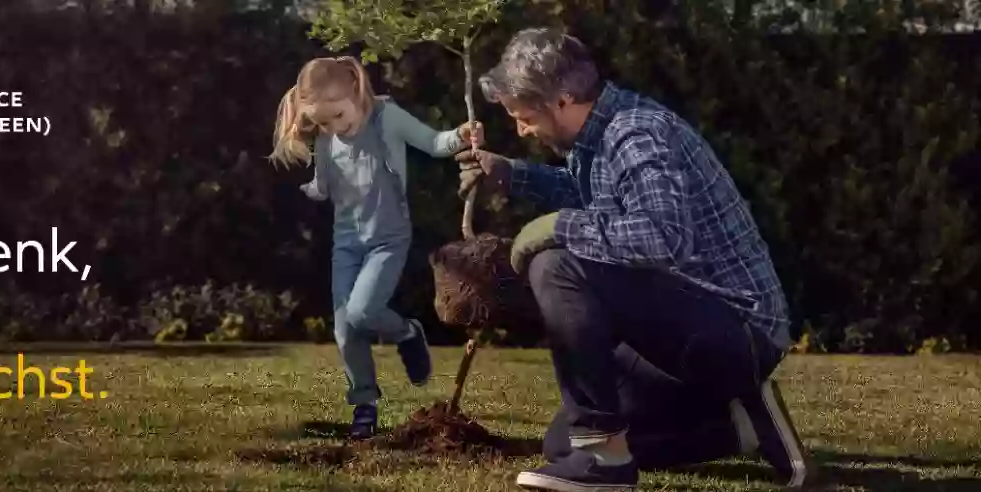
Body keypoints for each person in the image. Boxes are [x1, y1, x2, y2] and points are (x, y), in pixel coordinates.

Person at [455, 29, 809, 490]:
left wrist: (557, 227)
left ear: (562, 100)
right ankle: (737, 425)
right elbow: (591, 195)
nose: (522, 129)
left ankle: (605, 459)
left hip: (738, 330)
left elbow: (663, 238)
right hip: (676, 333)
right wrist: (510, 174)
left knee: (556, 264)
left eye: (525, 117)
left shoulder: (636, 134)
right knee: (562, 444)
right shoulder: (599, 139)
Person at [271, 56, 481, 440]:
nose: (334, 127)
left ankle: (406, 332)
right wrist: (314, 190)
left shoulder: (386, 117)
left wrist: (460, 136)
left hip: (388, 238)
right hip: (347, 243)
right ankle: (364, 403)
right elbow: (325, 179)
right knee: (345, 329)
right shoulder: (325, 137)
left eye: (337, 115)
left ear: (355, 87)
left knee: (363, 310)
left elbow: (433, 142)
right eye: (322, 122)